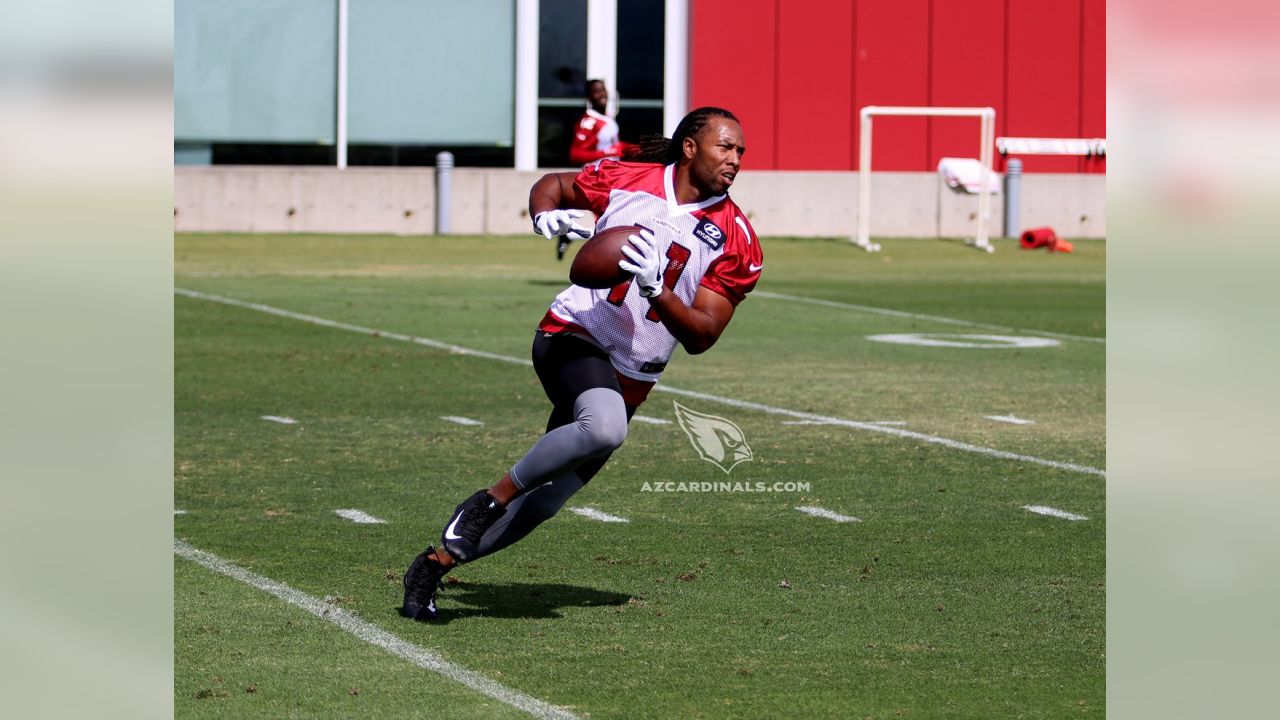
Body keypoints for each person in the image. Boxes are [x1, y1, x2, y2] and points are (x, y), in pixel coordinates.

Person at [402, 107, 763, 621]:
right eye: (725, 147)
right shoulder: (629, 176)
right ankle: (486, 500)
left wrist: (657, 291)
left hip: (632, 373)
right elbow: (554, 184)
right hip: (574, 333)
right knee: (604, 429)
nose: (735, 160)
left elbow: (703, 335)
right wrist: (543, 213)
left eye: (740, 152)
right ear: (690, 147)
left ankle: (432, 566)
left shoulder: (738, 239)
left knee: (545, 504)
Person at [557, 79, 629, 260]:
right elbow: (575, 154)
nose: (602, 95)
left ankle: (571, 236)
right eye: (597, 92)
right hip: (598, 178)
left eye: (603, 90)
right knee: (614, 222)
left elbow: (616, 147)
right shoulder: (588, 121)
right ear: (588, 97)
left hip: (615, 175)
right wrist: (610, 151)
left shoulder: (607, 117)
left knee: (613, 222)